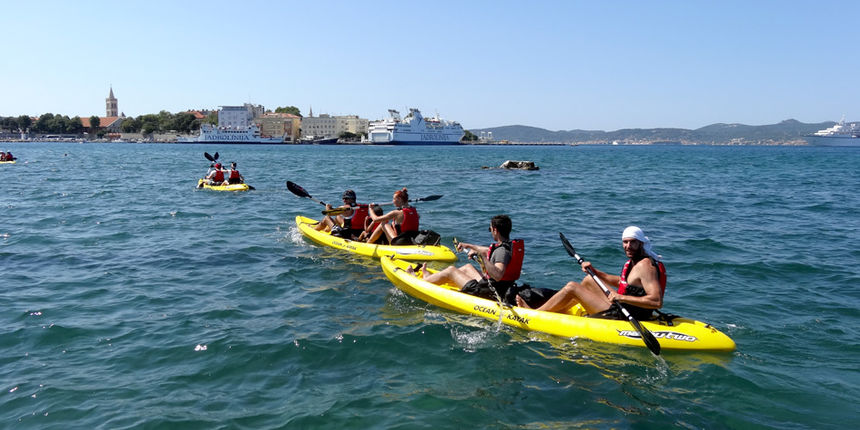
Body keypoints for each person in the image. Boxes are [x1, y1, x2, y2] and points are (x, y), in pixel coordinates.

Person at [517, 226, 666, 320]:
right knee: (589, 280)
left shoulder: (645, 266)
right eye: (625, 242)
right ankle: (559, 311)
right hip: (623, 305)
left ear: (641, 243)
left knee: (572, 287)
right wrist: (595, 272)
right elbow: (624, 283)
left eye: (632, 242)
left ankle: (535, 314)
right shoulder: (635, 261)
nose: (628, 246)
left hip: (626, 314)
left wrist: (621, 297)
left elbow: (656, 301)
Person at [412, 215, 524, 302]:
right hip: (497, 287)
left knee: (451, 270)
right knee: (468, 267)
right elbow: (488, 251)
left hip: (489, 292)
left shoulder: (502, 251)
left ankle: (424, 281)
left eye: (490, 230)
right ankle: (432, 278)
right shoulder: (507, 246)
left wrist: (482, 258)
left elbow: (498, 275)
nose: (491, 232)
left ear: (495, 230)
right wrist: (469, 246)